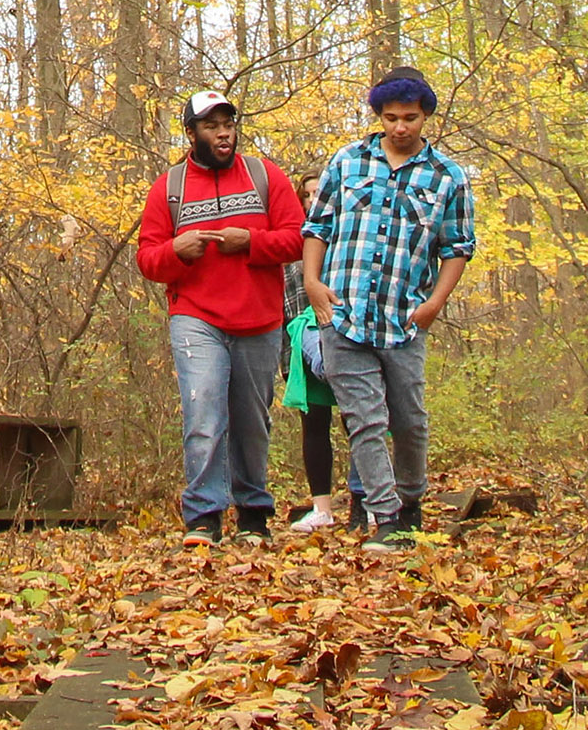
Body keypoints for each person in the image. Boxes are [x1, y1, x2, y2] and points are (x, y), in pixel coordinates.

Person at [302, 66, 475, 551]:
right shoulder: (348, 162)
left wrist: (436, 302)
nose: (401, 127)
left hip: (404, 317)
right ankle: (387, 519)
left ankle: (411, 501)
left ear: (425, 118)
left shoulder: (447, 177)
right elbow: (317, 227)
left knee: (409, 419)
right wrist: (314, 285)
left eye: (411, 118)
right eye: (392, 117)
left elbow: (458, 245)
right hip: (345, 313)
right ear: (379, 116)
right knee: (364, 419)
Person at [137, 89, 305, 548]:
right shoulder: (168, 187)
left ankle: (253, 513)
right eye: (211, 126)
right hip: (196, 317)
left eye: (228, 123)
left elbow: (297, 239)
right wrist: (177, 251)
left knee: (252, 419)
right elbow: (148, 259)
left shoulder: (264, 176)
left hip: (259, 318)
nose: (223, 133)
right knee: (203, 412)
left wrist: (249, 243)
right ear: (192, 133)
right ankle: (204, 517)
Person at [280, 172, 352, 532]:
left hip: (343, 336)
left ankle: (366, 501)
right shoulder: (291, 242)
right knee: (314, 423)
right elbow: (281, 301)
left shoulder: (345, 239)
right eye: (305, 194)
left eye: (317, 193)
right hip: (301, 339)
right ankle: (321, 507)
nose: (311, 199)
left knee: (357, 418)